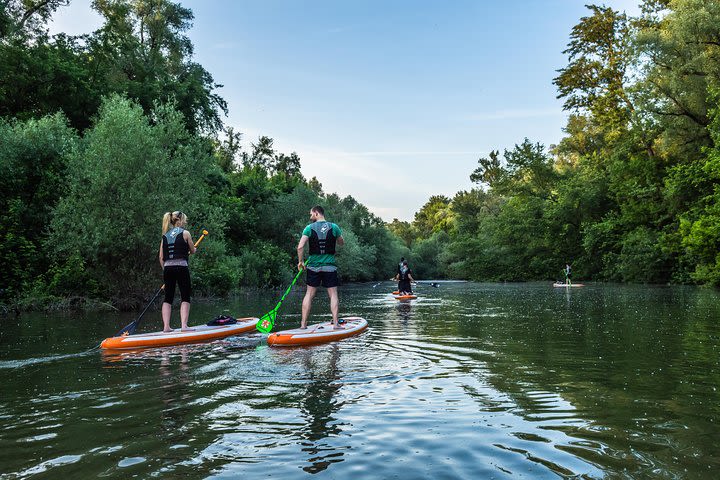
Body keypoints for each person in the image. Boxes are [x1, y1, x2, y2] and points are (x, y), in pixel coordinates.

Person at [297, 206, 345, 329]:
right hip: (329, 267)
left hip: (313, 267)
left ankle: (303, 325)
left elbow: (300, 247)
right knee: (333, 295)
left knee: (309, 295)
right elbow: (341, 243)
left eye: (311, 214)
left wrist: (301, 262)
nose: (310, 216)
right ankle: (336, 324)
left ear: (317, 213)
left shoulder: (309, 228)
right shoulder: (334, 227)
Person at [158, 211, 196, 332]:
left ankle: (166, 327)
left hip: (168, 269)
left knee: (168, 297)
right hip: (181, 267)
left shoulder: (165, 236)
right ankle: (184, 326)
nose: (185, 221)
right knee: (185, 295)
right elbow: (192, 250)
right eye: (184, 219)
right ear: (179, 220)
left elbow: (161, 257)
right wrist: (194, 249)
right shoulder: (185, 233)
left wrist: (166, 271)